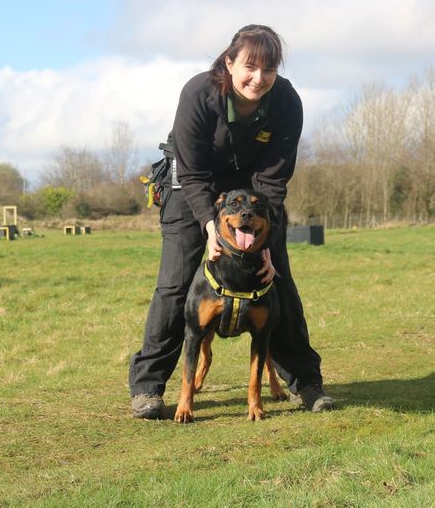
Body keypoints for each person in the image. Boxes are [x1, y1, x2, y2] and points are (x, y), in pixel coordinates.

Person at [128, 24, 334, 419]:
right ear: (229, 62)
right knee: (176, 282)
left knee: (279, 282)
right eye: (250, 67)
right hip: (190, 186)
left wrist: (268, 248)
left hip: (254, 195)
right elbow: (193, 176)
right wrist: (209, 226)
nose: (259, 78)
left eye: (269, 70)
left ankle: (306, 384)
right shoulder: (199, 94)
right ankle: (148, 388)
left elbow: (274, 180)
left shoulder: (286, 102)